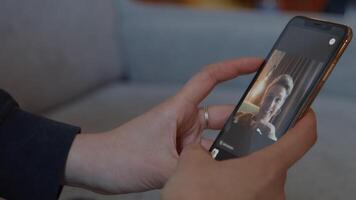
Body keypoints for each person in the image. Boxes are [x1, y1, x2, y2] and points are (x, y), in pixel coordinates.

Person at [0, 58, 317, 200]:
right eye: (271, 97)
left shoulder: (268, 133)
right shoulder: (244, 121)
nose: (274, 105)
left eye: (280, 101)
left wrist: (81, 154)